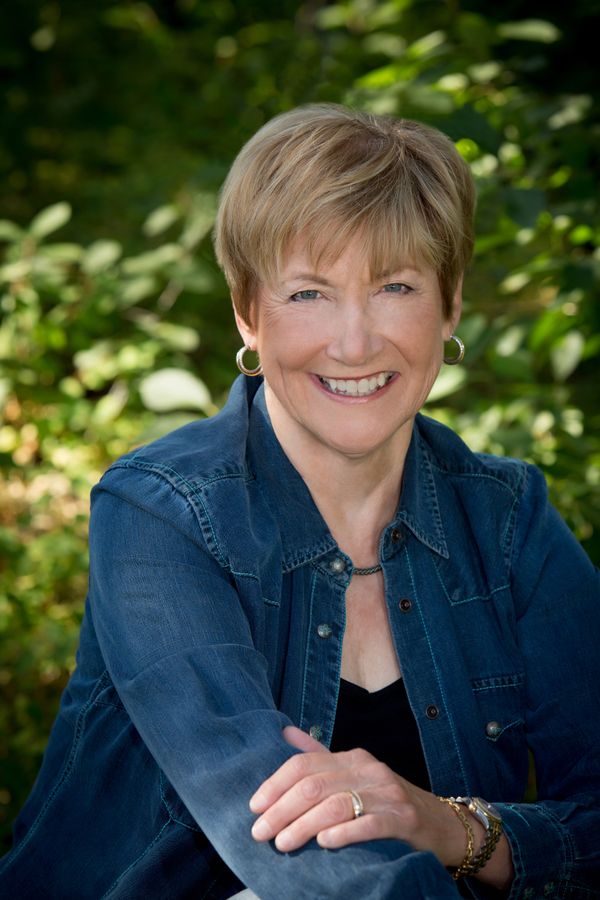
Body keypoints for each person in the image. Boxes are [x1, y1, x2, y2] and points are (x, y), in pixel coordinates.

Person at [1, 104, 599, 900]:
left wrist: (450, 827)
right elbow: (292, 852)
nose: (354, 343)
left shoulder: (507, 519)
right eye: (309, 293)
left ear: (451, 305)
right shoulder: (162, 513)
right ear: (247, 313)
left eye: (395, 287)